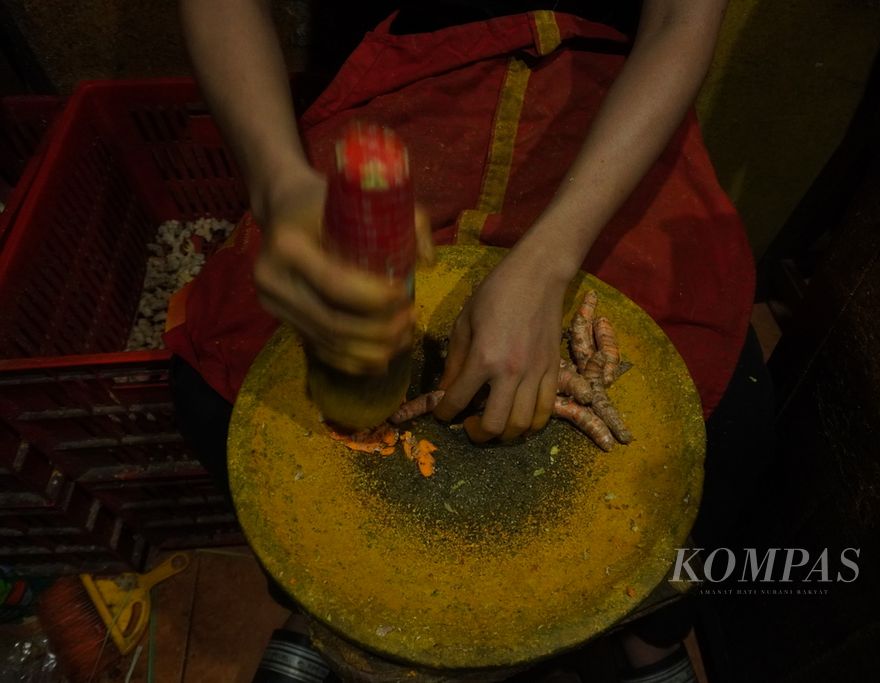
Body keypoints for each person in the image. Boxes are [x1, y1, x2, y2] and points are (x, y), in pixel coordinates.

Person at [174, 1, 770, 681]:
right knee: (219, 389)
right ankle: (324, 612)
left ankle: (653, 632)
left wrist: (550, 261)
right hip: (399, 75)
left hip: (606, 88)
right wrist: (277, 181)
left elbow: (681, 22)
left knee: (730, 420)